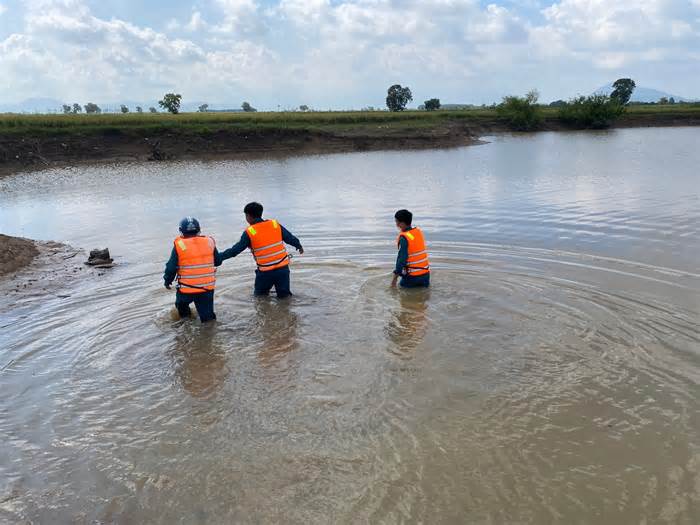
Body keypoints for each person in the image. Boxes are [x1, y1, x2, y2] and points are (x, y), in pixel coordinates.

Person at [219, 202, 304, 298]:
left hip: (265, 272)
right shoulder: (274, 224)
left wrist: (219, 257)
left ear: (248, 216)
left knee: (260, 297)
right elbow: (290, 238)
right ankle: (284, 311)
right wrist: (298, 245)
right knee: (285, 297)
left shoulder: (250, 232)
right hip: (282, 270)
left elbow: (235, 251)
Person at [163, 216, 224, 322]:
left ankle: (186, 326)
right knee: (208, 319)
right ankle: (209, 334)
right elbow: (218, 261)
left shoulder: (180, 244)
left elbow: (171, 268)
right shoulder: (209, 242)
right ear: (199, 229)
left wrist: (167, 281)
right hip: (206, 288)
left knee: (183, 312)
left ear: (181, 231)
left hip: (186, 289)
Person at [391, 209, 431, 288]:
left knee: (402, 295)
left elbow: (401, 259)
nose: (396, 224)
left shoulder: (404, 238)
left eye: (396, 222)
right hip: (425, 275)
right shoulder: (418, 232)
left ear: (401, 223)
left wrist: (394, 279)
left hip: (412, 277)